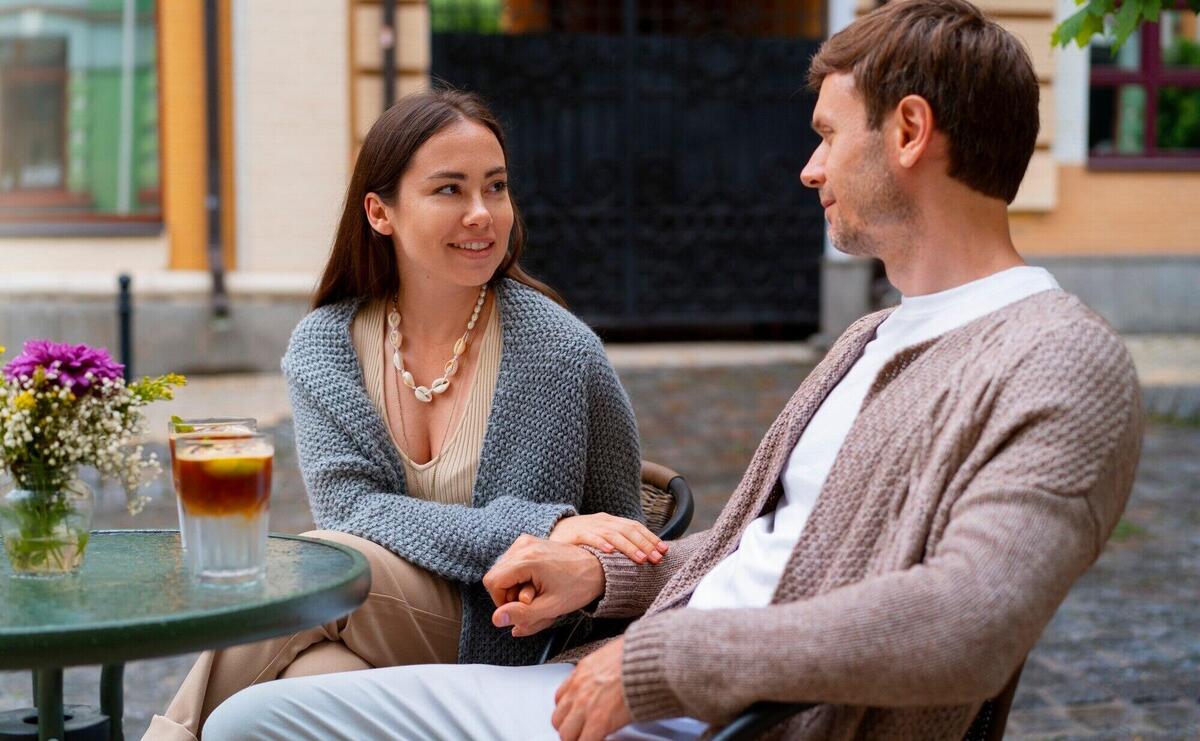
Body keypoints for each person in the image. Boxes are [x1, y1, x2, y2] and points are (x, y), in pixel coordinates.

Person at [201, 1, 1143, 739]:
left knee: (260, 721)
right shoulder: (869, 342)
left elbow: (963, 626)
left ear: (907, 131)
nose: (809, 170)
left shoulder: (1056, 358)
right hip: (638, 678)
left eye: (826, 133)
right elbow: (765, 559)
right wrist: (598, 582)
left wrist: (657, 662)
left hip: (709, 715)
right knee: (260, 713)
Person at [145, 90, 668, 740]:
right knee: (310, 673)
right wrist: (541, 524)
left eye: (496, 188)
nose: (482, 214)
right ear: (380, 211)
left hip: (508, 635)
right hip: (375, 617)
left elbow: (621, 538)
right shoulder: (325, 345)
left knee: (318, 568)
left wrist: (568, 552)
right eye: (449, 189)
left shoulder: (562, 350)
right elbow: (353, 511)